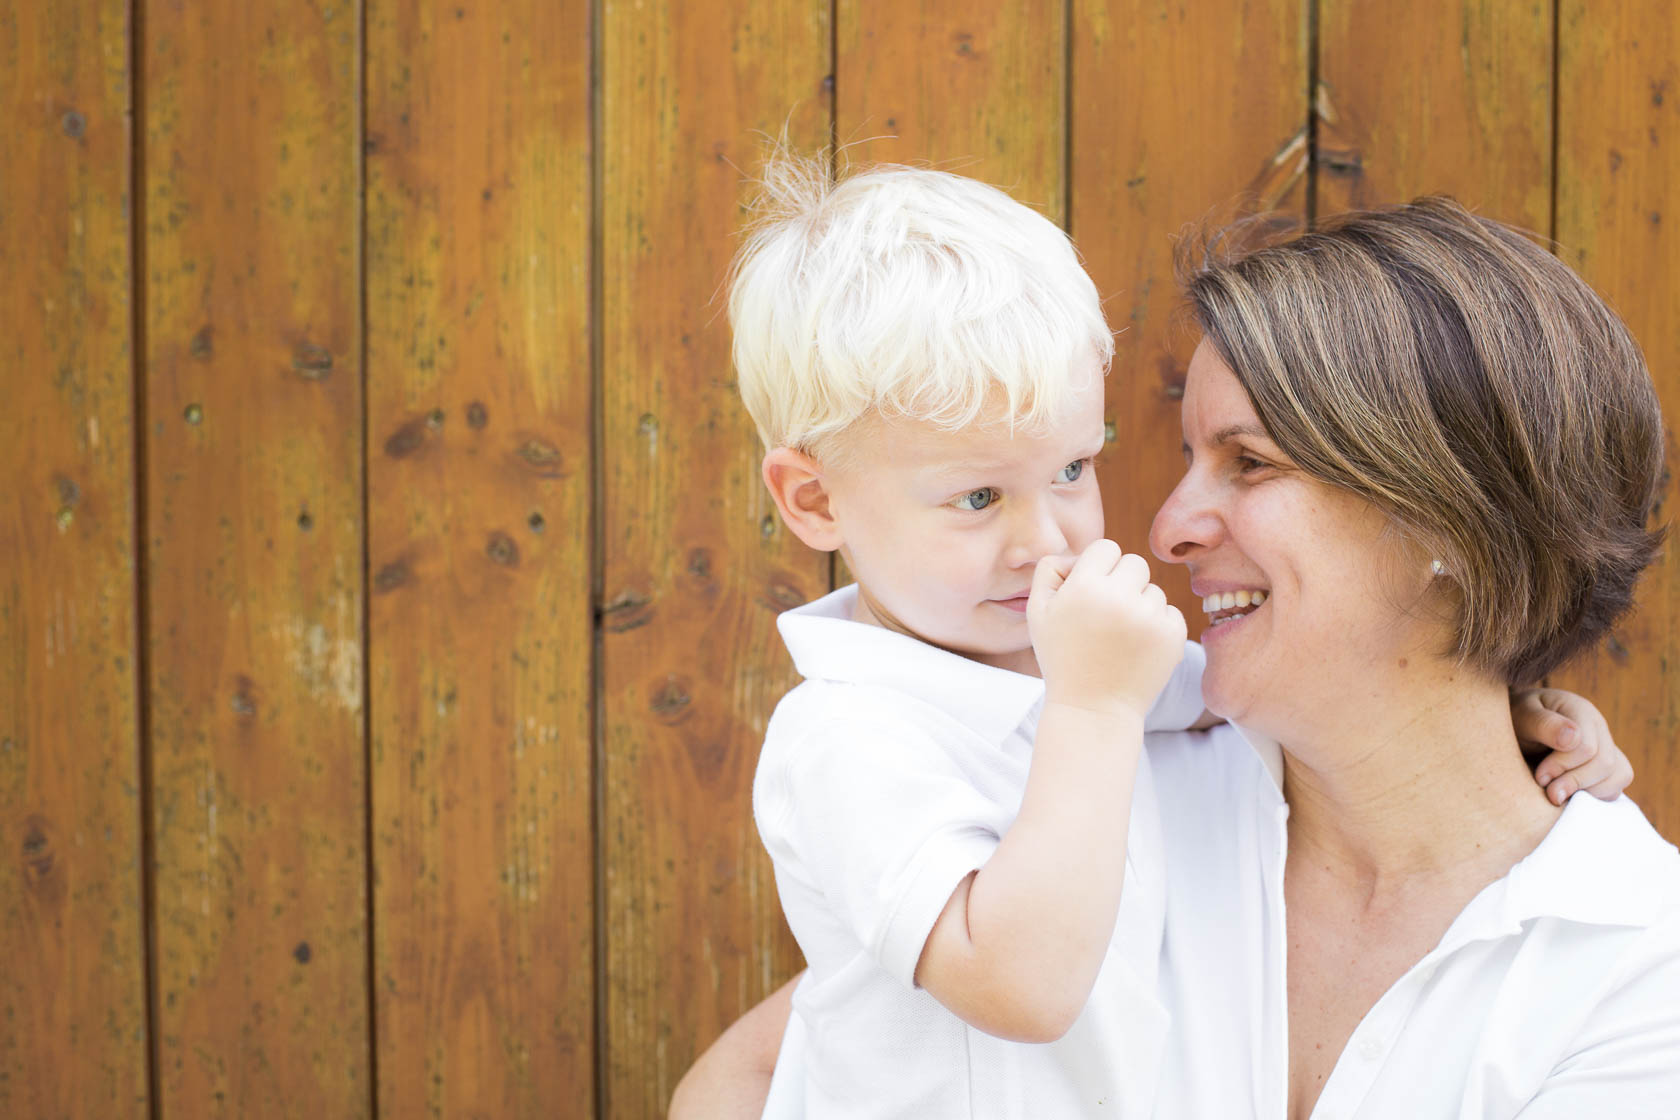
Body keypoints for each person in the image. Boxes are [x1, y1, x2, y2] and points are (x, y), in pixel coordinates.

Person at [684, 163, 1642, 1118]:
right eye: (977, 496)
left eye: (1250, 463)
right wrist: (1094, 707)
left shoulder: (1627, 969)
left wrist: (1525, 712)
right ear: (812, 500)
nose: (1156, 528)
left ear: (1451, 520)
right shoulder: (935, 738)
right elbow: (765, 1070)